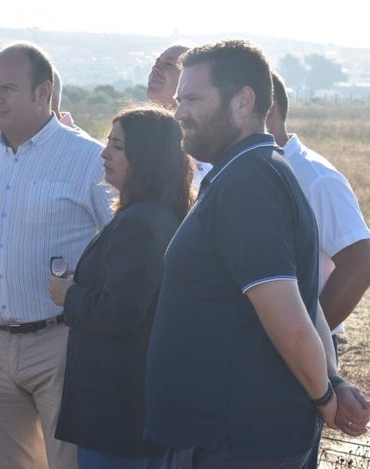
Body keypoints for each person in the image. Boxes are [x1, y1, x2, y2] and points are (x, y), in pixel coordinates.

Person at [144, 39, 359, 468]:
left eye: (192, 99)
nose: (178, 110)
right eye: (179, 98)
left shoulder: (250, 182)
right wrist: (331, 380)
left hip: (233, 441)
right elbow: (302, 297)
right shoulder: (252, 170)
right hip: (228, 434)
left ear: (244, 102)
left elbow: (289, 319)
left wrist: (323, 397)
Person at [0, 41, 113, 469]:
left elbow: (122, 247)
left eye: (8, 88)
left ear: (42, 92)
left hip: (63, 342)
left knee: (70, 463)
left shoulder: (90, 159)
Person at [49, 105, 193, 469]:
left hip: (117, 413)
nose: (104, 153)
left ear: (145, 157)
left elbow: (120, 313)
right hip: (128, 409)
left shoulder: (141, 224)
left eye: (117, 146)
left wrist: (70, 296)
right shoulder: (154, 214)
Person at [267, 71, 370, 469]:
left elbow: (360, 258)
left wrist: (310, 332)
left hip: (300, 346)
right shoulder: (249, 170)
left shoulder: (314, 176)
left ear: (265, 109)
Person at [146, 43, 211, 191]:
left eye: (169, 64)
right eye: (156, 62)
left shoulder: (202, 143)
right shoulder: (141, 131)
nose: (155, 69)